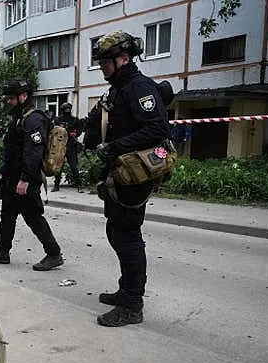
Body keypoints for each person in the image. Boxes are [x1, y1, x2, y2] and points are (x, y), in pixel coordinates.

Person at [90, 31, 170, 326]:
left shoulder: (139, 87)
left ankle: (132, 305)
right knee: (116, 232)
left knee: (127, 236)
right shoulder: (118, 90)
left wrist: (114, 147)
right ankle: (126, 290)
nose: (101, 67)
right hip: (118, 175)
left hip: (135, 178)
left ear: (123, 59)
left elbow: (158, 129)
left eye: (105, 62)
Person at [0, 78, 64, 271]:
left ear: (24, 96)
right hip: (11, 178)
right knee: (7, 216)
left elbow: (33, 152)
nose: (8, 101)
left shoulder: (34, 119)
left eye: (11, 98)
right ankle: (3, 251)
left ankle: (53, 253)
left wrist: (25, 179)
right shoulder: (19, 117)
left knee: (33, 217)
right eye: (7, 98)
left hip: (24, 179)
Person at [52, 102, 83, 193]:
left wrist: (76, 134)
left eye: (69, 109)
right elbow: (54, 131)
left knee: (74, 167)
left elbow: (80, 130)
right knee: (59, 166)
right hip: (60, 146)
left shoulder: (75, 120)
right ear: (62, 110)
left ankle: (79, 185)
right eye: (66, 109)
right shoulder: (57, 120)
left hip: (71, 145)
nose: (67, 111)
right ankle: (56, 185)